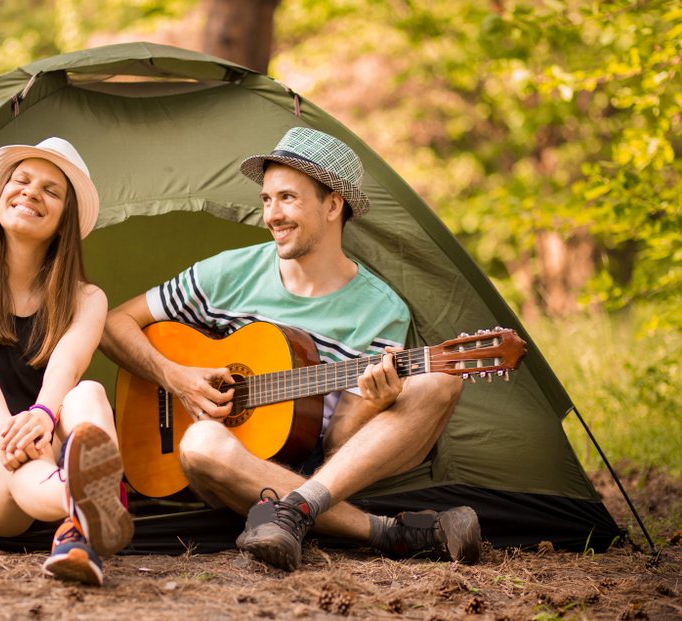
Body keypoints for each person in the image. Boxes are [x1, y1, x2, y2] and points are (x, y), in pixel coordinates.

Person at [100, 127, 480, 571]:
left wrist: (371, 403)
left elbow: (340, 446)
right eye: (266, 199)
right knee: (201, 441)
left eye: (287, 198)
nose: (271, 215)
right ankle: (385, 532)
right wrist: (175, 377)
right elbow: (113, 325)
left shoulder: (380, 310)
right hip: (227, 453)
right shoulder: (228, 273)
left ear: (334, 204)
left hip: (318, 465)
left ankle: (290, 511)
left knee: (436, 381)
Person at [0, 137, 133, 586]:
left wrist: (42, 414)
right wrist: (9, 437)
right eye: (21, 180)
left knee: (88, 392)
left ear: (64, 221)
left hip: (57, 442)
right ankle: (94, 503)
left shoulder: (86, 298)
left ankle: (78, 533)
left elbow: (67, 367)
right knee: (19, 469)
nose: (30, 192)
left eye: (51, 190)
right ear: (1, 195)